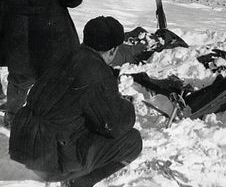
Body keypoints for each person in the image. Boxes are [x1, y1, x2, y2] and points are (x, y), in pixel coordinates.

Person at [9, 16, 143, 187]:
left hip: (21, 141)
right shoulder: (96, 72)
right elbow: (114, 126)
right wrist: (127, 106)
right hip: (48, 160)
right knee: (132, 141)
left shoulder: (64, 54)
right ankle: (79, 183)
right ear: (113, 50)